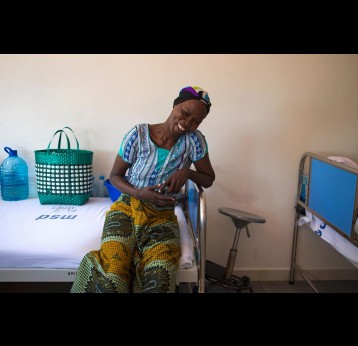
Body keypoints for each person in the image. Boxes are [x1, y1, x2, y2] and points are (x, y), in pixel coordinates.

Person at [70, 86, 215, 293]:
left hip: (162, 216)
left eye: (196, 121)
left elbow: (208, 178)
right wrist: (139, 193)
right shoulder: (137, 135)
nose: (188, 122)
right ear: (175, 105)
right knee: (113, 271)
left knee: (161, 275)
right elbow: (115, 176)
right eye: (185, 113)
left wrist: (187, 173)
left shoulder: (194, 141)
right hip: (127, 209)